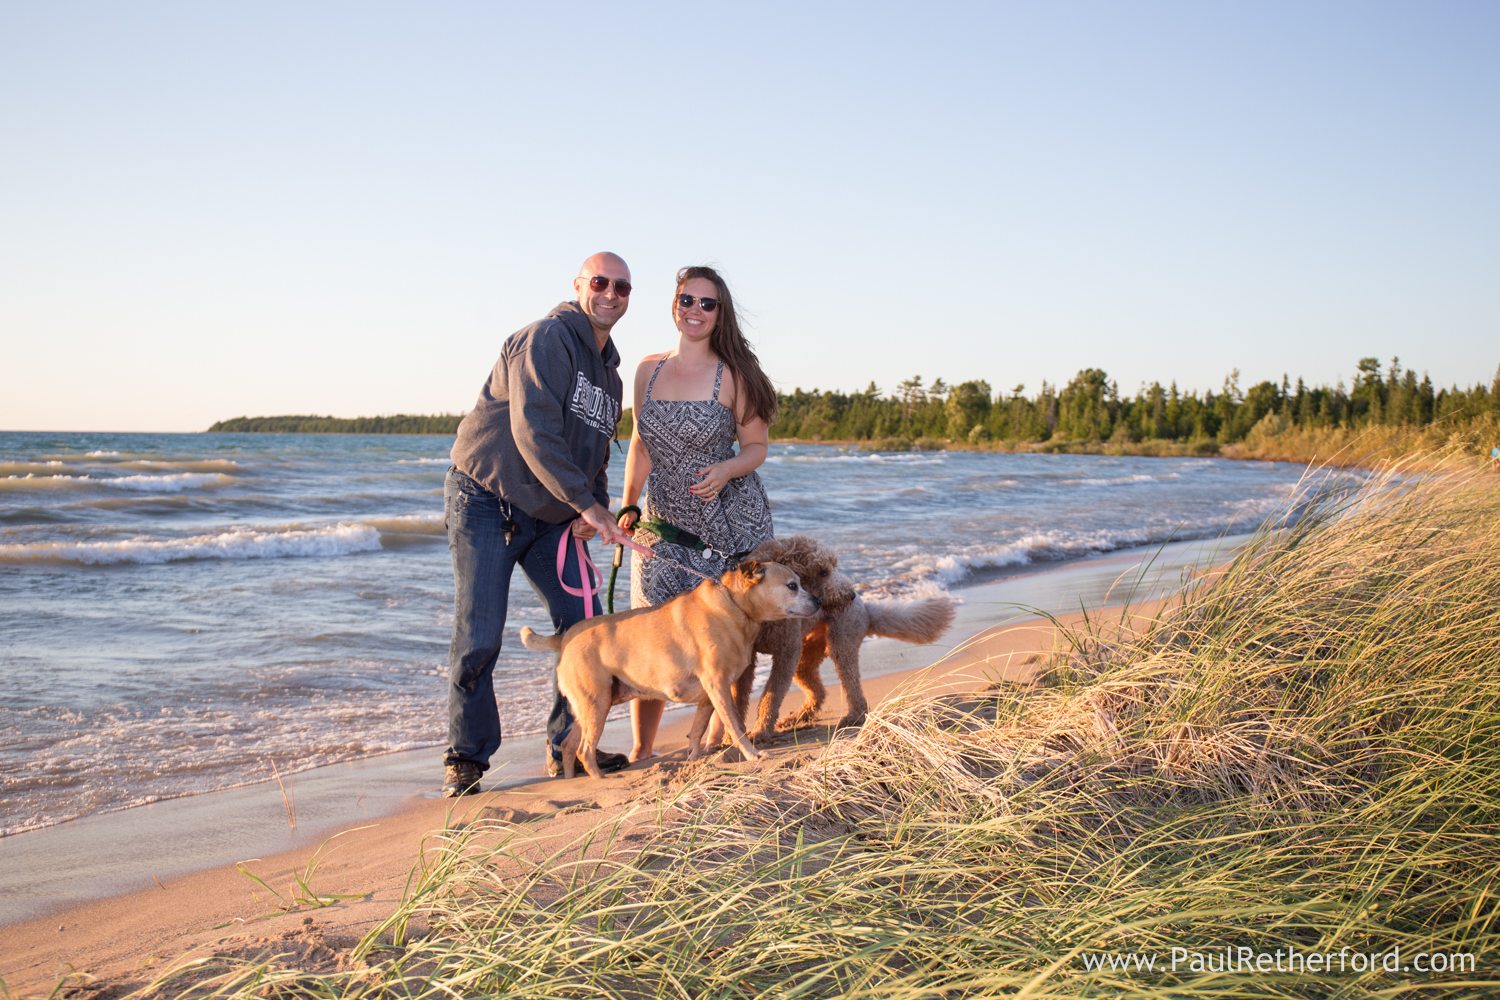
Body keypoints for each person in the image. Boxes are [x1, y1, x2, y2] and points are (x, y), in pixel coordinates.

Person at [441, 251, 634, 797]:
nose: (611, 294)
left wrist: (590, 509)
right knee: (479, 635)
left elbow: (596, 454)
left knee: (586, 627)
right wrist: (588, 504)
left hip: (551, 515)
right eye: (601, 282)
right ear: (579, 286)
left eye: (622, 287)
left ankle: (566, 745)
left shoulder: (611, 376)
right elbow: (533, 434)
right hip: (487, 499)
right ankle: (466, 758)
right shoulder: (545, 339)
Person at [616, 265, 778, 761]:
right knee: (651, 629)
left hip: (723, 520)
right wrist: (627, 502)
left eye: (708, 304)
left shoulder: (734, 375)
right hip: (661, 520)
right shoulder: (648, 370)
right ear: (674, 304)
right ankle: (643, 749)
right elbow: (640, 445)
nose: (696, 311)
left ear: (719, 313)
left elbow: (757, 447)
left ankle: (715, 738)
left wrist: (727, 469)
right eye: (688, 300)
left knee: (727, 629)